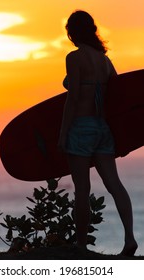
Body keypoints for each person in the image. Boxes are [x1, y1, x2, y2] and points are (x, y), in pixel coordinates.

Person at [58, 10, 138, 256]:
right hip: (103, 128)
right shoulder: (105, 60)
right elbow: (117, 97)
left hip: (81, 127)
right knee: (114, 184)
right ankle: (129, 239)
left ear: (71, 32)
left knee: (82, 189)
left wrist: (62, 135)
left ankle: (81, 245)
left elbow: (72, 100)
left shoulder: (74, 58)